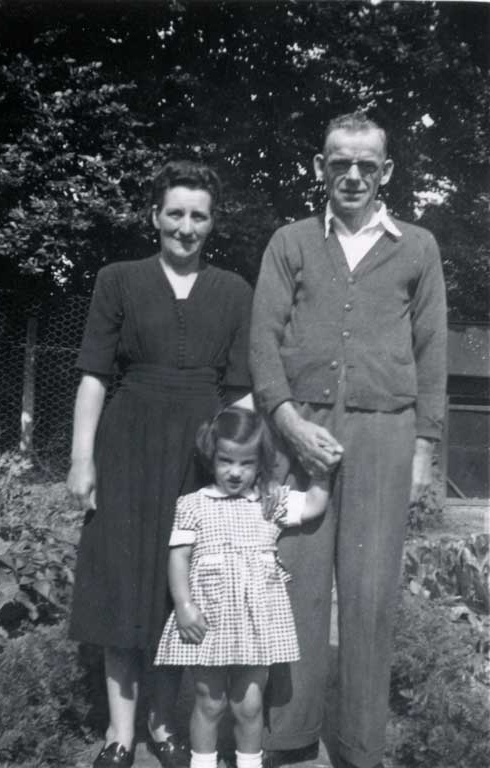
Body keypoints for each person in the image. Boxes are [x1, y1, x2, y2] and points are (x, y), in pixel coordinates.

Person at [249, 112, 447, 768]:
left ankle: (362, 746)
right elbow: (264, 339)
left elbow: (432, 348)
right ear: (320, 168)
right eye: (340, 162)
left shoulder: (417, 247)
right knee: (295, 584)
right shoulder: (291, 242)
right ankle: (289, 736)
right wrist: (286, 422)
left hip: (385, 436)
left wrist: (423, 446)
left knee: (369, 591)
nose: (353, 175)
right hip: (297, 434)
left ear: (386, 172)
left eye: (367, 164)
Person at [67, 160, 254, 768]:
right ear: (154, 217)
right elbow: (95, 375)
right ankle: (121, 736)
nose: (186, 226)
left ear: (212, 223)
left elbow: (243, 393)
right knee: (123, 585)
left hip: (199, 455)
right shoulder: (117, 279)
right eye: (175, 213)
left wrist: (240, 466)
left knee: (184, 592)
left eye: (198, 215)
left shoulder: (233, 291)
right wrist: (81, 459)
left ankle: (163, 724)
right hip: (127, 446)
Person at [154, 406, 331, 768]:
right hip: (209, 621)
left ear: (260, 462)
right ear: (212, 457)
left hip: (256, 625)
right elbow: (178, 558)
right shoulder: (192, 505)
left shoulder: (271, 500)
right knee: (209, 701)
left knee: (248, 705)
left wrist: (323, 472)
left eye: (246, 463)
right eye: (226, 461)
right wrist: (184, 605)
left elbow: (313, 504)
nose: (235, 472)